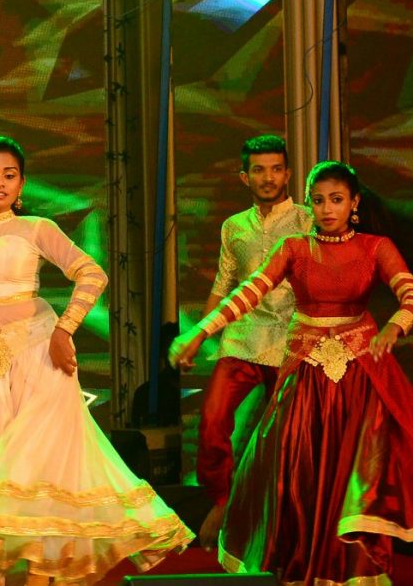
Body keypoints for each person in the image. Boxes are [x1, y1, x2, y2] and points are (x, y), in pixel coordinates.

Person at [0, 136, 192, 585]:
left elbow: (92, 273)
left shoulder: (36, 228)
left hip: (36, 362)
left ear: (21, 183)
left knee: (34, 479)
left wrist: (65, 329)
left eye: (9, 175)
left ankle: (40, 578)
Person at [170, 161, 413, 585]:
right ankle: (302, 567)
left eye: (336, 200)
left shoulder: (376, 246)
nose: (327, 209)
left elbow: (409, 294)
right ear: (308, 203)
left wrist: (395, 326)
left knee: (350, 479)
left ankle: (352, 571)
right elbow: (248, 293)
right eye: (318, 200)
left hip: (358, 380)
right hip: (305, 378)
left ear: (354, 203)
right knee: (297, 474)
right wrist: (199, 331)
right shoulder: (294, 247)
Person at [190, 135, 311, 545]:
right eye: (259, 170)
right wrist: (198, 337)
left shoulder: (308, 221)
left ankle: (285, 520)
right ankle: (222, 501)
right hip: (242, 339)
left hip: (292, 341)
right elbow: (223, 285)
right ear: (245, 177)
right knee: (212, 422)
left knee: (290, 438)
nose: (268, 178)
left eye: (276, 169)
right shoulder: (234, 226)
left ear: (288, 174)